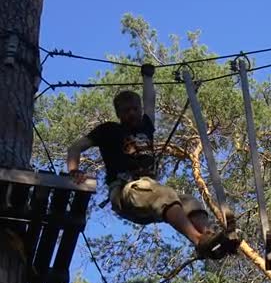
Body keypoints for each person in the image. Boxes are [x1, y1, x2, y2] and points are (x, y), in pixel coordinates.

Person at [67, 64, 227, 259]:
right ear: (119, 114)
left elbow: (150, 100)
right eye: (126, 111)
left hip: (148, 193)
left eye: (135, 109)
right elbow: (75, 147)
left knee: (189, 202)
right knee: (163, 193)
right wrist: (74, 170)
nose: (132, 114)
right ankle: (198, 240)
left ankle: (210, 236)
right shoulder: (109, 130)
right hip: (126, 192)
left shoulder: (146, 126)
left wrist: (148, 77)